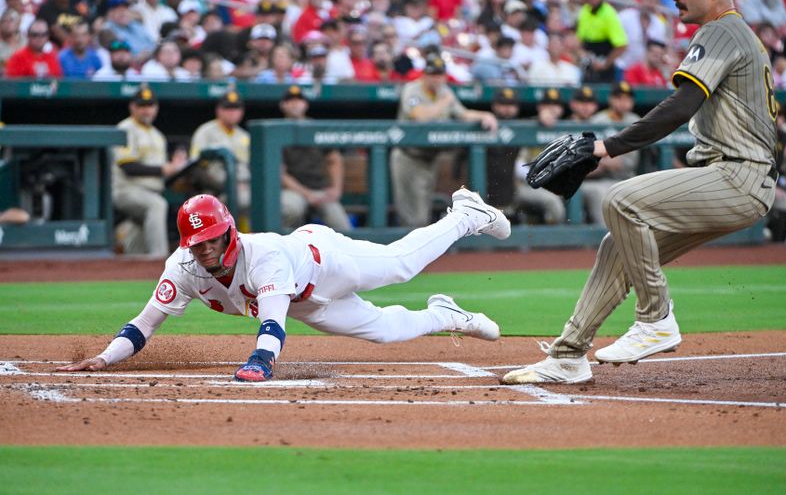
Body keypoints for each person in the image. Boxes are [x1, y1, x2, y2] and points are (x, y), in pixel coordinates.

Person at [503, 0, 777, 384]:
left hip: (738, 176)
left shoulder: (722, 29)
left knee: (621, 199)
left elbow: (682, 105)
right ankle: (568, 355)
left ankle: (656, 319)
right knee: (617, 250)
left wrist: (605, 146)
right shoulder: (741, 35)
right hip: (737, 178)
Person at [57, 190, 509, 381]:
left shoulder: (264, 257)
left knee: (400, 266)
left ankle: (465, 214)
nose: (206, 249)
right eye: (197, 242)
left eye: (212, 239)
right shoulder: (183, 267)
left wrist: (259, 364)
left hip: (324, 263)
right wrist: (103, 358)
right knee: (386, 331)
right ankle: (447, 315)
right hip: (307, 304)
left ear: (228, 231)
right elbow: (144, 324)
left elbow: (272, 324)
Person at [391, 53, 498, 227]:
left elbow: (462, 114)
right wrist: (443, 102)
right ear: (424, 74)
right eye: (433, 74)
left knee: (422, 217)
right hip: (408, 158)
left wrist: (485, 115)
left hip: (430, 159)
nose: (437, 79)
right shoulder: (412, 89)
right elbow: (420, 117)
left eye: (440, 75)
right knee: (412, 218)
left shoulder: (444, 92)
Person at [113, 87, 187, 258]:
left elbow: (161, 171)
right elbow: (128, 166)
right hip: (127, 190)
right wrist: (163, 169)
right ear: (132, 107)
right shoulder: (125, 128)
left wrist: (175, 168)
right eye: (142, 106)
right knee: (157, 205)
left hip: (152, 191)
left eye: (150, 105)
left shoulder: (157, 135)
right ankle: (159, 257)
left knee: (136, 247)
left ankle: (137, 268)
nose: (147, 110)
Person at [279, 85, 352, 232]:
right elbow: (281, 173)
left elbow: (335, 159)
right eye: (290, 100)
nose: (295, 104)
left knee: (343, 227)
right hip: (293, 191)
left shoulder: (316, 128)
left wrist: (336, 189)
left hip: (320, 190)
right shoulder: (278, 130)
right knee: (291, 209)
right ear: (283, 105)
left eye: (298, 100)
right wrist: (306, 194)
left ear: (305, 104)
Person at [583, 81, 641, 226]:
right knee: (601, 194)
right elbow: (590, 160)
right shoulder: (597, 121)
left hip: (627, 178)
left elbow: (628, 163)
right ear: (611, 99)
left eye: (628, 99)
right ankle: (606, 237)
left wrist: (607, 161)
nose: (623, 102)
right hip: (600, 179)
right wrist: (605, 163)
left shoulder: (635, 121)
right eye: (619, 98)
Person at [189, 90, 251, 216]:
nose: (232, 112)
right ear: (219, 110)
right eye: (228, 108)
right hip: (216, 190)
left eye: (236, 108)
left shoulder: (245, 136)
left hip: (245, 185)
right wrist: (228, 187)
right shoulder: (206, 132)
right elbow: (196, 168)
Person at [515, 88, 567, 225]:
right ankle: (558, 239)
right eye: (547, 104)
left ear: (561, 109)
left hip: (554, 183)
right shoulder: (528, 126)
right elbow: (517, 165)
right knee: (552, 200)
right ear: (539, 107)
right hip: (525, 184)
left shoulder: (567, 127)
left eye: (556, 105)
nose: (551, 109)